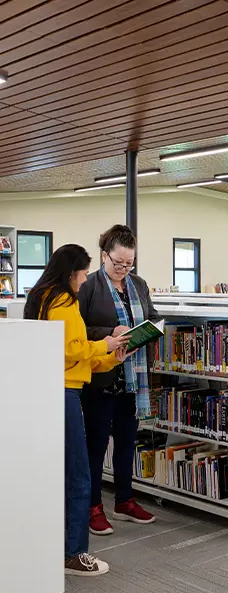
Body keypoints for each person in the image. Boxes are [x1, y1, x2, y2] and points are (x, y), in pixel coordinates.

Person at [24, 244, 128, 576]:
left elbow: (76, 354)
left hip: (50, 389)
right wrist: (105, 345)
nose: (84, 282)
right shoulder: (63, 302)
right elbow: (71, 351)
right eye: (83, 274)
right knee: (80, 474)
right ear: (72, 273)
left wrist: (110, 357)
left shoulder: (42, 298)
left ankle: (58, 544)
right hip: (65, 393)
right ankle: (74, 553)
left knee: (62, 472)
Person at [79, 225, 160, 535]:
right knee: (96, 446)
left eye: (130, 263)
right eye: (119, 263)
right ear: (104, 255)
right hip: (102, 379)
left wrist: (151, 328)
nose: (124, 269)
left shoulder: (138, 284)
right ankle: (93, 507)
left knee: (128, 443)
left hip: (132, 379)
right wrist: (109, 334)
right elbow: (79, 330)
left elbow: (151, 315)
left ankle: (124, 501)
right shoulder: (88, 286)